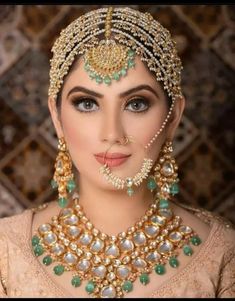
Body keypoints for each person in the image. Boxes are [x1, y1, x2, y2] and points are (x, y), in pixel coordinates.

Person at [0, 6, 234, 298]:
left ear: (173, 118)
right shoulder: (6, 254)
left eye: (136, 104)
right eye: (87, 103)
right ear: (57, 117)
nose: (112, 134)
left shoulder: (223, 255)